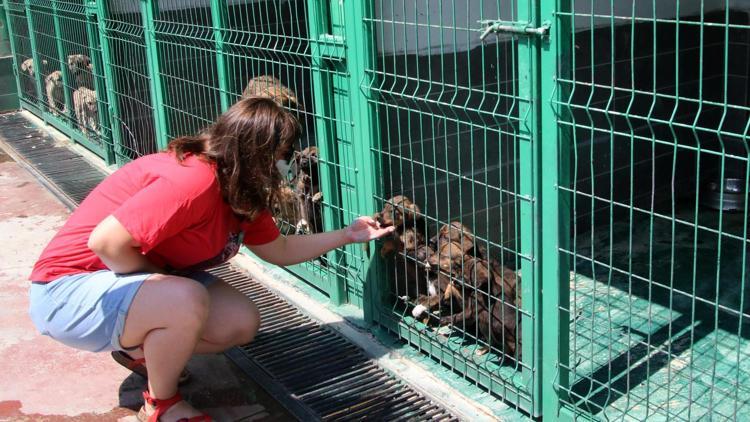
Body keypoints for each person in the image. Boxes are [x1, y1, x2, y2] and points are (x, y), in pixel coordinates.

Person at [28, 97, 395, 422]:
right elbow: (106, 244)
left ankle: (147, 350)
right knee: (187, 300)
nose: (288, 163)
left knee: (239, 322)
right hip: (67, 290)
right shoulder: (194, 180)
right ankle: (161, 405)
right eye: (283, 154)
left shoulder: (240, 188)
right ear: (256, 153)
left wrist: (348, 235)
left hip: (127, 284)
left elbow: (278, 250)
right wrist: (169, 288)